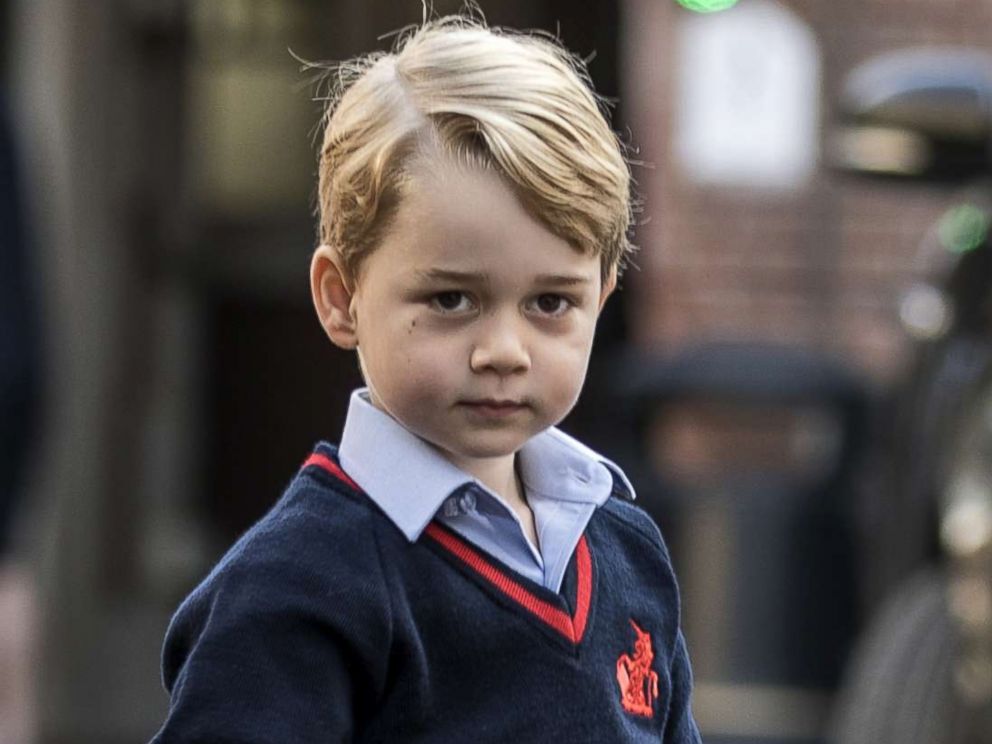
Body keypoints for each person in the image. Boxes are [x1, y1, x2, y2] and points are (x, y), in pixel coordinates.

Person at [151, 14, 700, 743]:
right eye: (451, 299)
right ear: (340, 297)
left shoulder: (630, 555)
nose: (504, 350)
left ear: (600, 299)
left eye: (550, 303)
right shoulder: (295, 589)